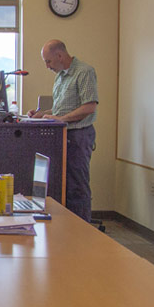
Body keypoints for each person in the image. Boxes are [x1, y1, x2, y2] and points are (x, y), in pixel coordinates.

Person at [27, 39, 98, 223]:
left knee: (77, 186)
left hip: (78, 135)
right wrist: (43, 114)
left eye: (48, 61)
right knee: (63, 184)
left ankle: (83, 230)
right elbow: (61, 109)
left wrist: (60, 119)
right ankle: (67, 228)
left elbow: (89, 107)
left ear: (60, 55)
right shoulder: (60, 76)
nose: (47, 66)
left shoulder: (84, 72)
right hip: (63, 135)